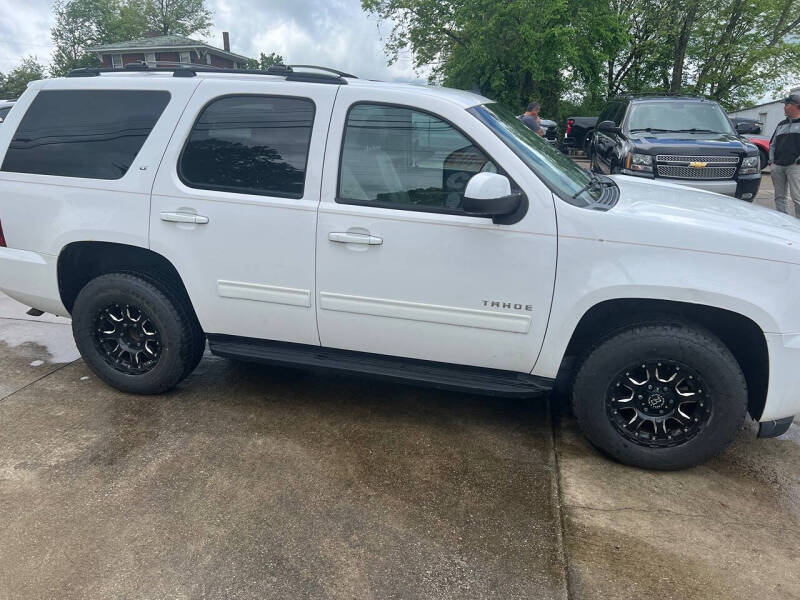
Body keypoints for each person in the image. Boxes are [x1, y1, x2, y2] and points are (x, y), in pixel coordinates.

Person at [771, 92, 800, 217]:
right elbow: (772, 144)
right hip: (778, 166)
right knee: (779, 197)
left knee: (797, 197)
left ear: (796, 106)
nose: (784, 107)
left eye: (787, 105)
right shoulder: (781, 124)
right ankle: (783, 222)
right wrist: (771, 161)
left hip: (795, 167)